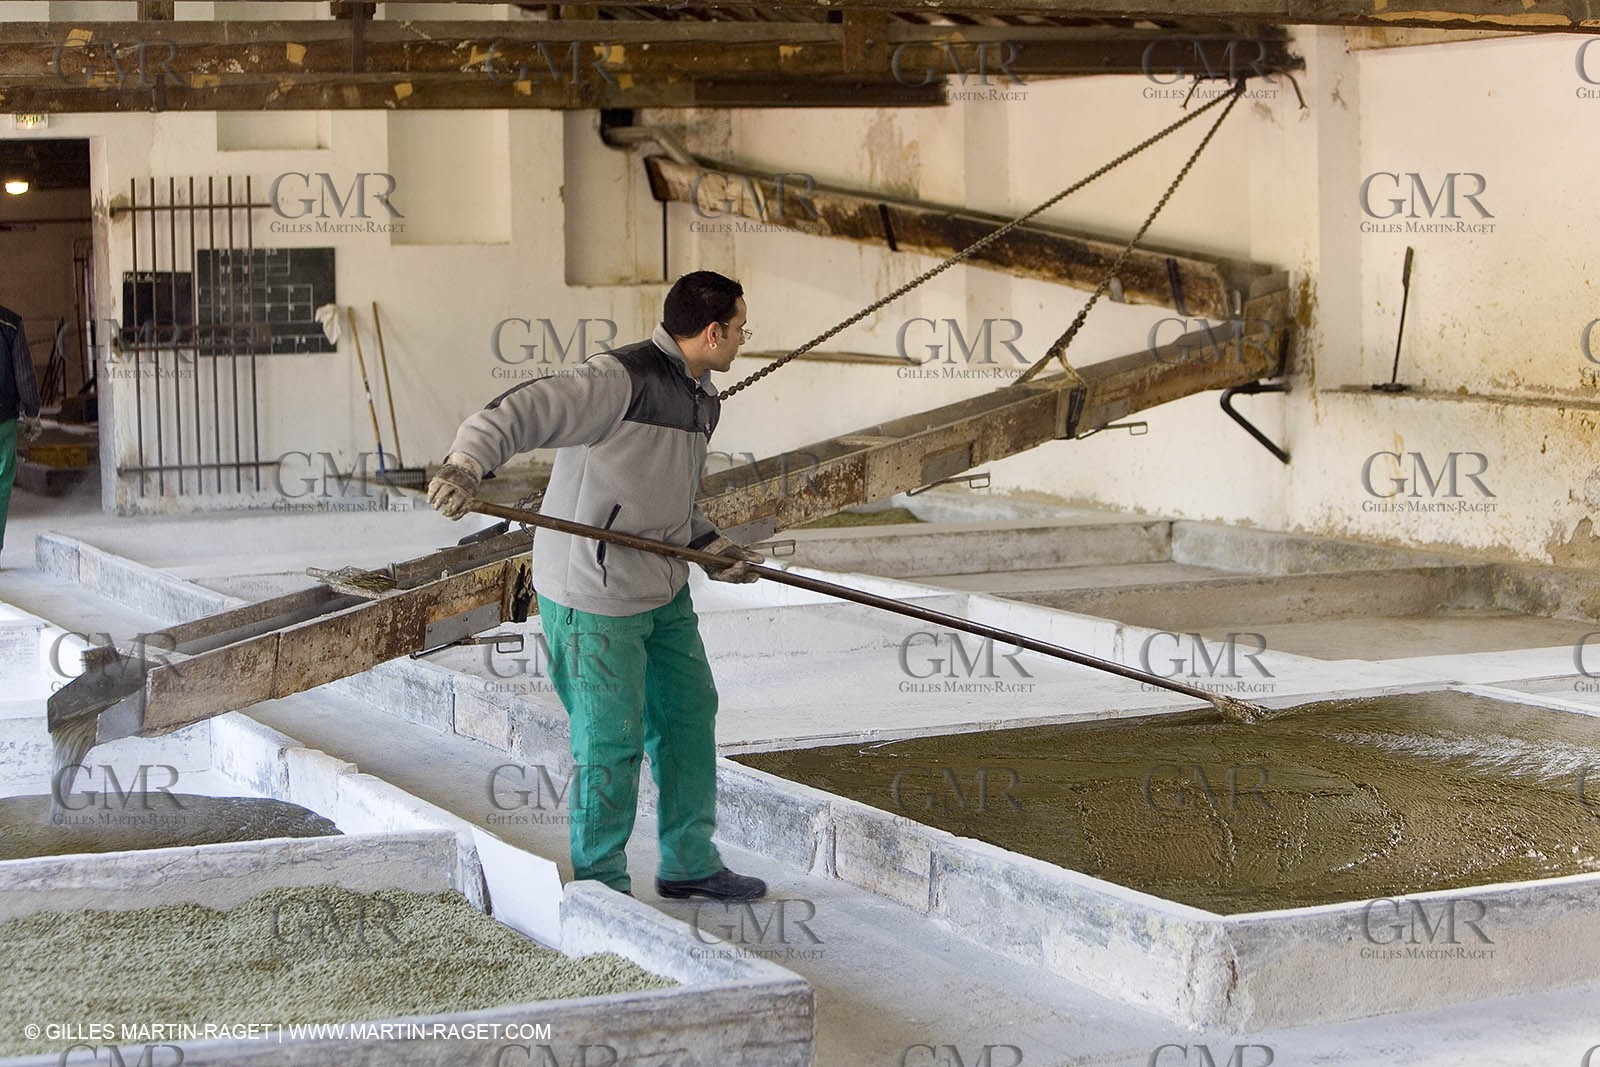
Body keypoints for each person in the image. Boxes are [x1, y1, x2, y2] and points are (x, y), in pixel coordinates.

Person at [429, 271, 768, 902]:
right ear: (713, 332)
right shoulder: (619, 379)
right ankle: (601, 889)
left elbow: (666, 498)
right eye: (741, 329)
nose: (743, 339)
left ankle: (689, 863)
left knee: (689, 717)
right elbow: (524, 407)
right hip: (594, 593)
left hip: (661, 589)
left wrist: (710, 547)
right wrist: (465, 464)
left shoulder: (702, 399)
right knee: (611, 741)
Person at [0, 304, 42, 560]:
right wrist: (32, 412)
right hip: (3, 419)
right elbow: (24, 374)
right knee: (1, 486)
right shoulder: (10, 323)